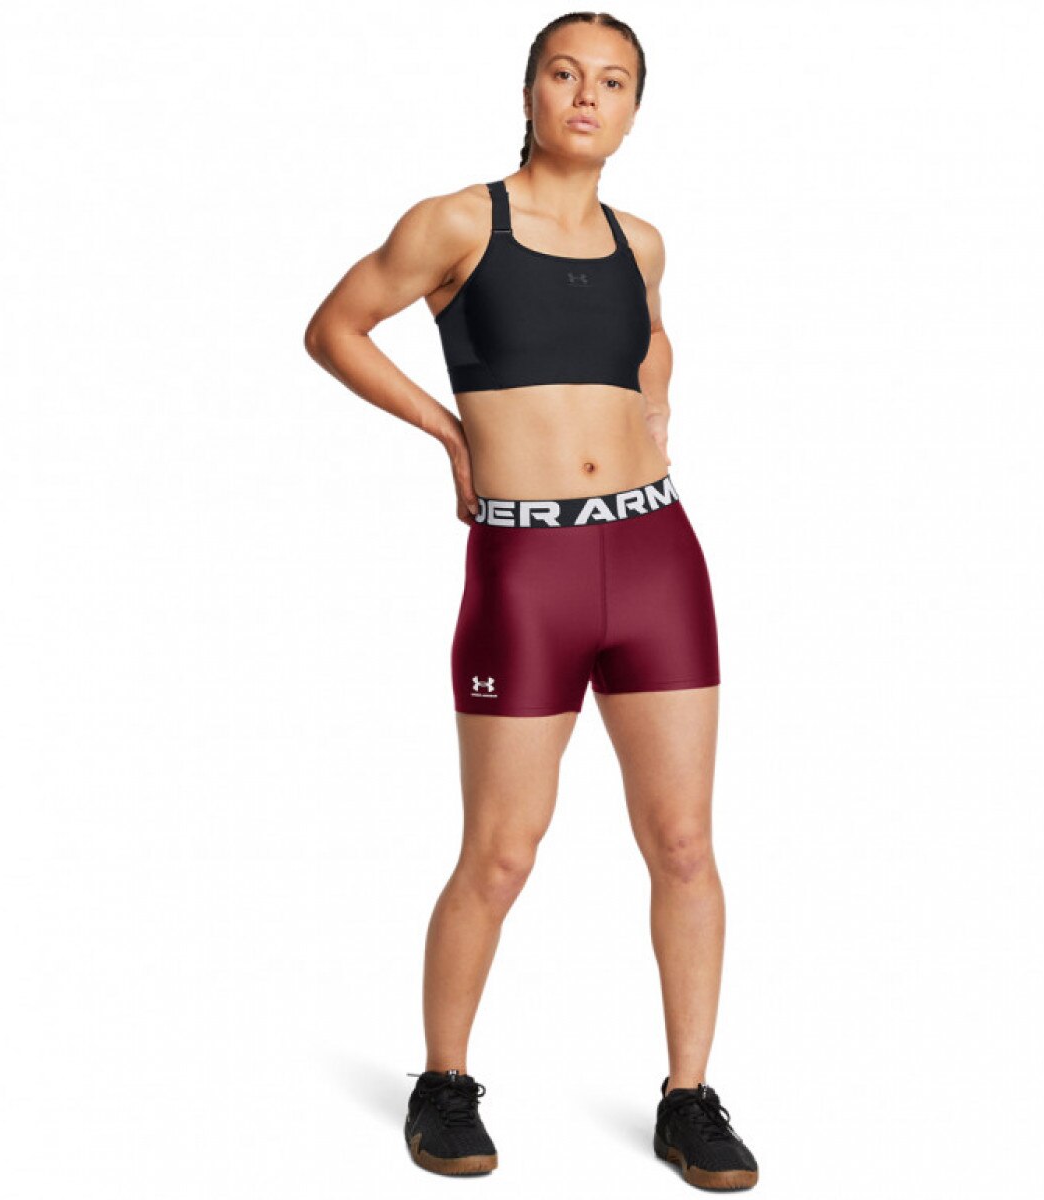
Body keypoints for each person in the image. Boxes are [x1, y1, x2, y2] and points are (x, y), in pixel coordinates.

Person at [304, 12, 758, 1191]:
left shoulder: (642, 241)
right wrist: (450, 434)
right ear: (530, 92)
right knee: (503, 852)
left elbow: (651, 345)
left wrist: (656, 407)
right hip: (528, 568)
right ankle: (444, 1081)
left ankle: (689, 1097)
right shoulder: (459, 222)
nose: (587, 95)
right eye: (565, 74)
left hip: (656, 556)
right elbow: (334, 328)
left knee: (684, 842)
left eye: (613, 81)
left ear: (635, 110)